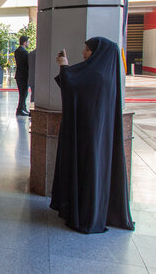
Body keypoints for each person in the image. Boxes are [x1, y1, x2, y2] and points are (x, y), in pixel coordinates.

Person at [50, 37, 135, 234]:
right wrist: (66, 68)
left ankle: (85, 214)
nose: (84, 53)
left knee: (88, 169)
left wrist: (64, 67)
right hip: (93, 133)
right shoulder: (103, 74)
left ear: (98, 53)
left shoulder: (98, 75)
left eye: (87, 50)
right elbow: (77, 87)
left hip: (89, 134)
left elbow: (73, 87)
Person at [14, 35, 29, 116]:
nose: (28, 43)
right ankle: (20, 109)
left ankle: (23, 108)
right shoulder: (24, 52)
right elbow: (27, 64)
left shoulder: (17, 51)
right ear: (24, 42)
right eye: (28, 41)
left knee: (22, 93)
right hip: (23, 75)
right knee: (24, 93)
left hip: (19, 75)